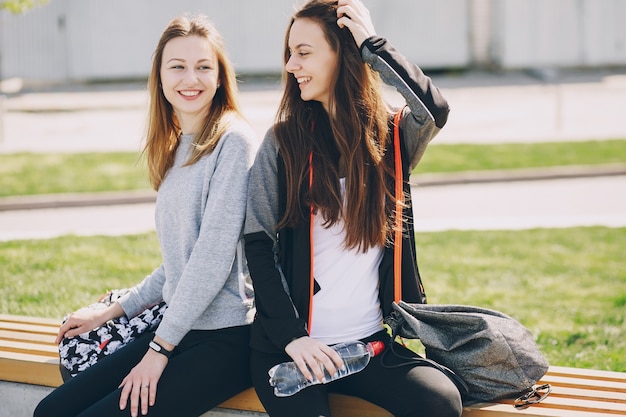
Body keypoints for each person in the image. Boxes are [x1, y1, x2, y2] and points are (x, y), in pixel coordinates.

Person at [243, 0, 462, 416]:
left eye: (304, 53)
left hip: (368, 347)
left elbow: (433, 109)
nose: (291, 65)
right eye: (290, 53)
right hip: (292, 352)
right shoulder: (282, 143)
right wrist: (293, 338)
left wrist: (372, 46)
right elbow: (257, 245)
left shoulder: (390, 139)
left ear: (342, 54)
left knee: (441, 402)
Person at [34, 14, 258, 417]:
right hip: (178, 328)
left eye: (204, 67)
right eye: (178, 67)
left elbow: (210, 261)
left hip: (224, 338)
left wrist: (158, 351)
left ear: (221, 77)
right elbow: (179, 262)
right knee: (51, 412)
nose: (191, 78)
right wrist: (112, 310)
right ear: (159, 77)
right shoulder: (179, 147)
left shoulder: (233, 142)